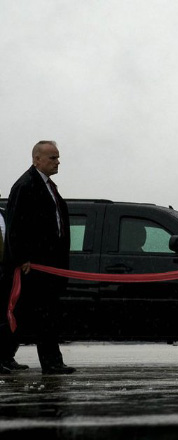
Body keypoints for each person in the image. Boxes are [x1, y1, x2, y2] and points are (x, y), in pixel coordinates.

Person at [5, 140, 75, 375]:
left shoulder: (48, 186)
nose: (58, 161)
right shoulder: (26, 185)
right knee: (42, 314)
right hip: (33, 266)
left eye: (58, 157)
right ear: (37, 159)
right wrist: (22, 258)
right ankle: (52, 363)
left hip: (48, 264)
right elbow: (16, 225)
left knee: (29, 314)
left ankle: (4, 356)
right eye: (52, 157)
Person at [0, 202, 29, 373]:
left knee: (6, 317)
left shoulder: (5, 215)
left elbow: (14, 239)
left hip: (5, 272)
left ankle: (5, 357)